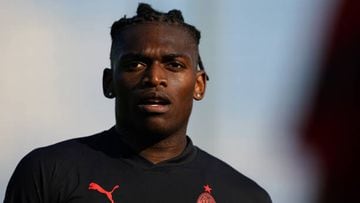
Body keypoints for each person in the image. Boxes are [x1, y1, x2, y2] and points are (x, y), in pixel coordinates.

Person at [4, 3, 271, 203]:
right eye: (136, 64)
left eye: (174, 65)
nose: (154, 78)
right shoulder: (48, 173)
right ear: (109, 82)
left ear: (199, 85)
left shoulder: (243, 196)